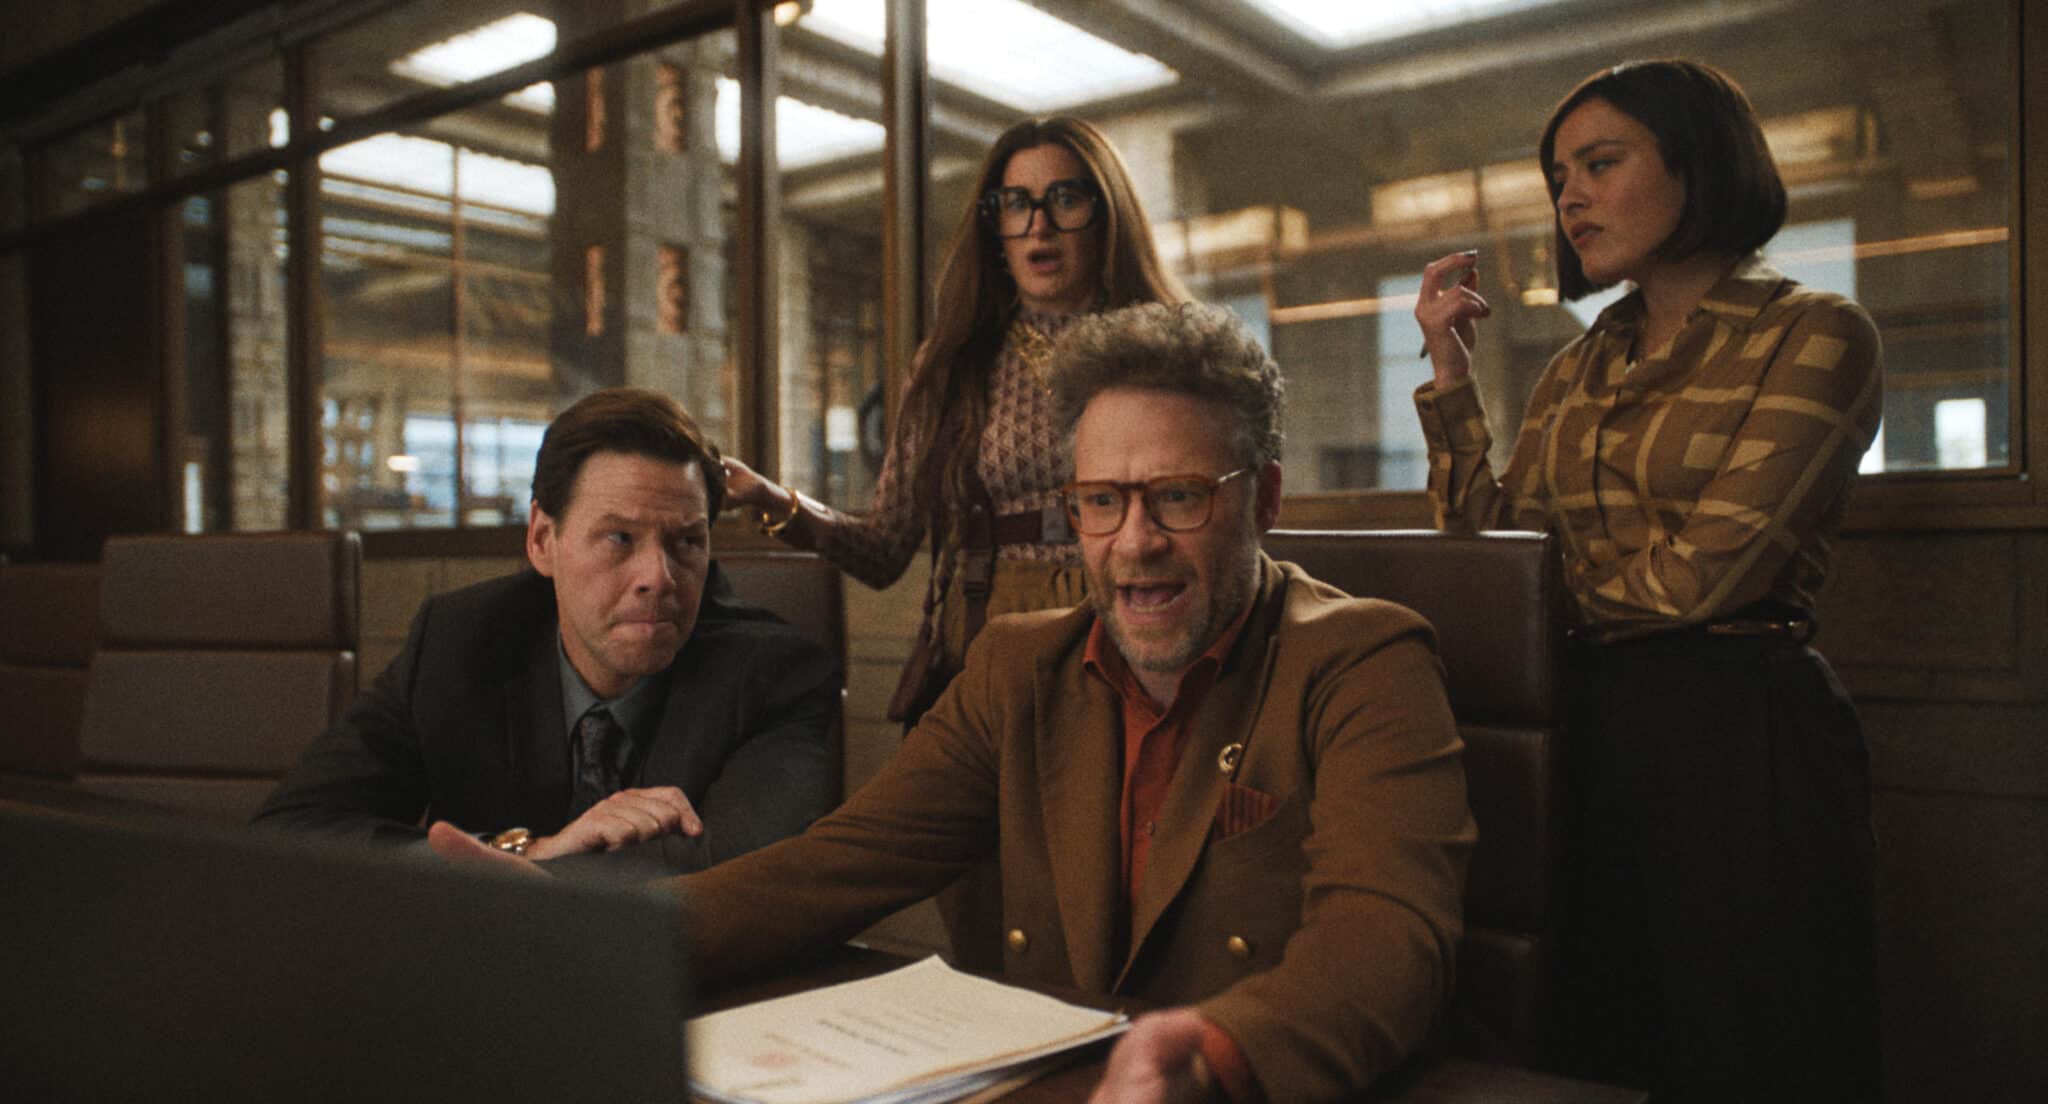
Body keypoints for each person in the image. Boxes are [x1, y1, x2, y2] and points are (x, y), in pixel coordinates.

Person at [433, 302, 1476, 1104]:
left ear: (1264, 500)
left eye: (1179, 496)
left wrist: (1212, 1049)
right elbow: (829, 869)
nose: (1134, 542)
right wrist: (570, 943)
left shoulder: (1363, 659)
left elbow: (1383, 940)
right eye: (1099, 503)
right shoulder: (1017, 666)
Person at [1411, 59, 1883, 1101]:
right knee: (1593, 1034)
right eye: (1557, 176)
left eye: (1599, 162)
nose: (1568, 196)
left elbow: (1703, 579)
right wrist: (1449, 376)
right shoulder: (1580, 362)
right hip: (1581, 729)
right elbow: (1493, 556)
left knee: (1742, 1037)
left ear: (1696, 160)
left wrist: (1538, 617)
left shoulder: (1813, 332)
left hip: (1733, 730)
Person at [724, 114, 1189, 968]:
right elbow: (887, 547)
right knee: (980, 913)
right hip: (984, 654)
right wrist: (775, 503)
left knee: (1125, 913)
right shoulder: (954, 365)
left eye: (1063, 199)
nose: (1039, 225)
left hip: (1136, 644)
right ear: (992, 225)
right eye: (1015, 204)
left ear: (1106, 211)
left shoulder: (1169, 345)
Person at [255, 388, 842, 875]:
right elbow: (294, 832)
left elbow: (737, 875)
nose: (658, 577)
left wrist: (512, 874)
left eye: (686, 541)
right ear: (542, 540)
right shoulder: (459, 643)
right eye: (619, 539)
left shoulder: (774, 676)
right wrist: (529, 849)